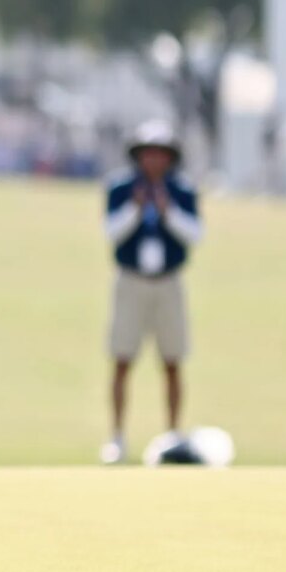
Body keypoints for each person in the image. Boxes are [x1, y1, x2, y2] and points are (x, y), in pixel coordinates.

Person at [101, 120, 202, 465]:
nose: (154, 161)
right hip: (131, 280)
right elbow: (112, 231)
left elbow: (194, 235)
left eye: (160, 154)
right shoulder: (122, 188)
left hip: (168, 281)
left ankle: (172, 434)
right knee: (122, 359)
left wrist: (166, 211)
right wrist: (136, 207)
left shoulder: (180, 191)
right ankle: (116, 436)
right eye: (148, 154)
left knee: (172, 360)